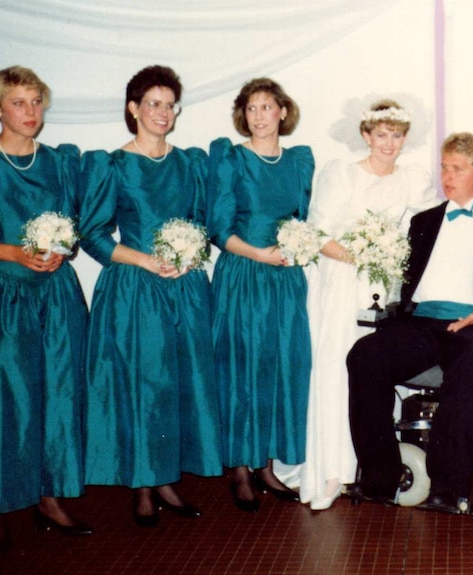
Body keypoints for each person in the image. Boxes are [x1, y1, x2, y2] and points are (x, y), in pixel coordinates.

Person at [347, 132, 473, 510]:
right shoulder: (423, 221)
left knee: (471, 359)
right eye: (444, 167)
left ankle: (448, 482)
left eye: (457, 168)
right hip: (423, 323)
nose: (447, 175)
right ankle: (380, 476)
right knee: (365, 354)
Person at [278, 99, 437, 511]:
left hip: (382, 289)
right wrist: (361, 254)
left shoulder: (412, 180)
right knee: (335, 370)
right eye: (381, 134)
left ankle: (370, 467)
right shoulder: (342, 174)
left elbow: (437, 220)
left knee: (373, 377)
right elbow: (318, 234)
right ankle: (332, 471)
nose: (389, 143)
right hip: (341, 284)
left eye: (397, 135)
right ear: (366, 136)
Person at [79, 65, 221, 528]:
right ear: (133, 109)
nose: (162, 112)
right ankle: (142, 483)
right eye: (153, 103)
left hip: (184, 287)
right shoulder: (112, 165)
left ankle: (165, 480)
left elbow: (201, 225)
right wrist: (144, 260)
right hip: (136, 289)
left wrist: (189, 254)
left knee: (178, 382)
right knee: (144, 385)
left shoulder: (190, 163)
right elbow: (94, 234)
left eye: (169, 104)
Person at [207, 78, 312, 512]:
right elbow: (218, 227)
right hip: (243, 273)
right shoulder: (230, 158)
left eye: (267, 107)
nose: (259, 116)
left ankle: (267, 467)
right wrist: (257, 254)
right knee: (241, 367)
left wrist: (291, 251)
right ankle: (240, 471)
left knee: (279, 367)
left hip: (284, 279)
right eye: (251, 109)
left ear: (282, 112)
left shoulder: (300, 160)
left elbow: (303, 219)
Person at [0, 66, 91, 548]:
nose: (30, 112)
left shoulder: (59, 161)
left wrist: (61, 248)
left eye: (36, 101)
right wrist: (14, 252)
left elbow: (71, 227)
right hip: (7, 297)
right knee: (11, 401)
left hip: (55, 296)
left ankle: (51, 497)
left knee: (59, 393)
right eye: (19, 102)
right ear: (0, 109)